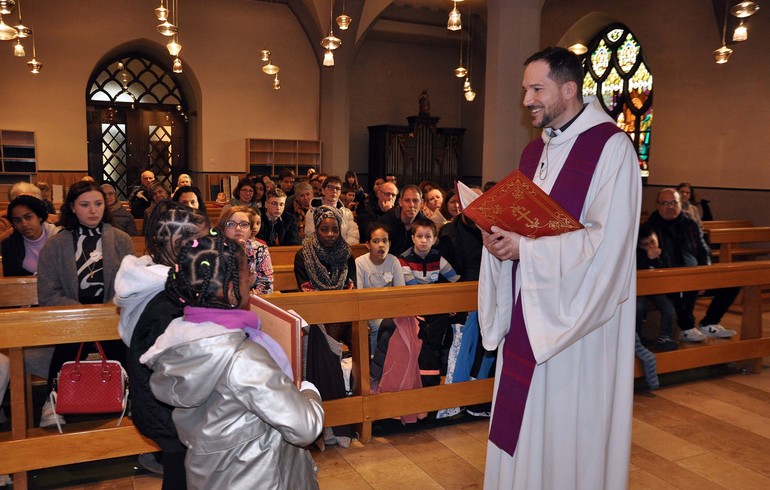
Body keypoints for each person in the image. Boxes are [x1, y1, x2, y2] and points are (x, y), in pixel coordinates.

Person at [479, 47, 641, 489]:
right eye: (525, 89)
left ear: (569, 90)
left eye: (537, 89)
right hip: (528, 311)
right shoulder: (534, 153)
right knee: (526, 418)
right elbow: (523, 225)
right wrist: (497, 239)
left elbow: (609, 243)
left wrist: (527, 252)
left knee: (567, 426)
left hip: (577, 326)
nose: (527, 99)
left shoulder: (612, 149)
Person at [140, 234, 324, 489]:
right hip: (259, 476)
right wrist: (308, 392)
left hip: (208, 474)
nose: (250, 280)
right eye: (246, 274)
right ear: (230, 289)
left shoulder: (178, 344)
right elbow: (305, 427)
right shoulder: (242, 357)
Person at [114, 200, 209, 487]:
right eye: (202, 241)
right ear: (179, 243)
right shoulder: (167, 297)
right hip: (170, 409)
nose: (209, 247)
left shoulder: (153, 279)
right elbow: (181, 366)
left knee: (179, 472)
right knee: (182, 476)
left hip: (162, 407)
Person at [37, 181, 135, 428]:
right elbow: (48, 292)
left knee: (122, 348)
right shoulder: (56, 244)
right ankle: (54, 400)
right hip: (71, 313)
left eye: (98, 204)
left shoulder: (120, 240)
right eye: (85, 205)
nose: (93, 210)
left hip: (110, 311)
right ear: (72, 207)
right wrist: (80, 312)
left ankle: (128, 396)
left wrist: (109, 310)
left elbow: (131, 283)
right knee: (67, 347)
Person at [644, 188, 738, 342]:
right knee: (686, 282)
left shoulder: (690, 223)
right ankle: (687, 328)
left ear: (680, 203)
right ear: (658, 205)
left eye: (674, 202)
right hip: (668, 277)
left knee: (732, 282)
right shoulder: (650, 227)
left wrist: (705, 271)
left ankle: (710, 322)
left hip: (695, 273)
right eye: (665, 203)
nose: (670, 206)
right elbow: (646, 257)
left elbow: (703, 249)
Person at [355, 223, 405, 355]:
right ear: (368, 245)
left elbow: (401, 291)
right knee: (378, 326)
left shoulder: (394, 261)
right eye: (376, 241)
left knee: (404, 325)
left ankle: (395, 360)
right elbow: (358, 293)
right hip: (369, 309)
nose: (381, 245)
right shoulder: (360, 263)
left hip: (390, 308)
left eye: (385, 241)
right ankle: (374, 360)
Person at [636, 223, 679, 351]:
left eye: (652, 242)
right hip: (640, 289)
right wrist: (648, 259)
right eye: (645, 244)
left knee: (669, 309)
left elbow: (666, 271)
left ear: (657, 239)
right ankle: (636, 337)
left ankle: (665, 337)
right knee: (638, 307)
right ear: (639, 246)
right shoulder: (638, 255)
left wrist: (656, 259)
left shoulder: (663, 253)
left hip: (657, 289)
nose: (650, 247)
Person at [217, 205, 274, 295]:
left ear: (251, 230)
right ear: (223, 228)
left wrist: (250, 296)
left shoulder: (260, 249)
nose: (238, 228)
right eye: (231, 224)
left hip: (253, 301)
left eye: (244, 224)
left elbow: (267, 284)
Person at [2, 195, 58, 277]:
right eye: (17, 220)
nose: (24, 224)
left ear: (39, 217)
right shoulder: (10, 245)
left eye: (28, 217)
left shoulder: (60, 238)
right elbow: (10, 282)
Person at [304, 176, 360, 245]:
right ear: (323, 190)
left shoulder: (347, 213)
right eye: (330, 187)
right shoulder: (312, 212)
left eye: (338, 188)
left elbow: (353, 236)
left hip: (344, 251)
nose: (334, 191)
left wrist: (342, 249)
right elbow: (311, 236)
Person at [377, 184, 426, 256]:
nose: (411, 205)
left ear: (422, 203)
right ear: (400, 202)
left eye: (415, 201)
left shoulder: (425, 225)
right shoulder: (385, 223)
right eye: (407, 200)